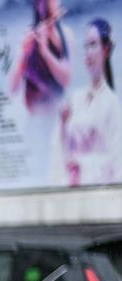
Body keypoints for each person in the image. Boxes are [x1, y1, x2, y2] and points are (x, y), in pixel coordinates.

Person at [53, 18, 122, 187]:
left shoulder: (112, 103)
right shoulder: (75, 99)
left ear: (105, 50)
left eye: (93, 45)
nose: (88, 53)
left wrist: (82, 166)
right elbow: (62, 151)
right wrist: (63, 125)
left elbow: (116, 162)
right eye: (86, 46)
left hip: (95, 191)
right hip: (71, 188)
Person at [11, 0, 73, 113]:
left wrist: (44, 52)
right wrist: (24, 55)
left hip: (56, 112)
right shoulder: (28, 38)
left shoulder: (66, 35)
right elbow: (13, 89)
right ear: (37, 5)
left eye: (52, 1)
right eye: (42, 2)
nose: (47, 6)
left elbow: (66, 80)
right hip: (34, 115)